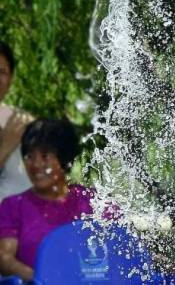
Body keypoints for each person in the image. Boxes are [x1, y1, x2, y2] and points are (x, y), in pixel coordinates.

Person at [0, 118, 93, 280]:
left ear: (65, 159)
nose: (35, 164)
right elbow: (4, 259)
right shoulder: (13, 206)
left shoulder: (91, 201)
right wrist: (42, 279)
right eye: (29, 156)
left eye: (45, 156)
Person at [0, 41, 33, 201]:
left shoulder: (21, 121)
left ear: (11, 78)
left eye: (2, 71)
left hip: (26, 222)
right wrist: (6, 147)